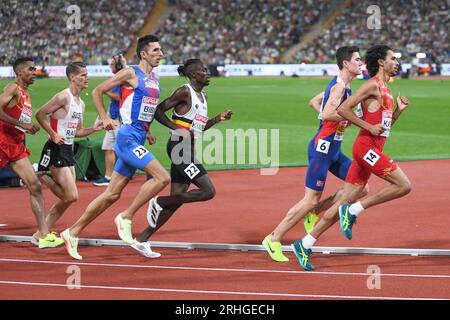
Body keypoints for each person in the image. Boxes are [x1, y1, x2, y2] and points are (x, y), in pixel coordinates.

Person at [292, 45, 411, 271]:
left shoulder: (384, 89)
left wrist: (398, 111)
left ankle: (304, 244)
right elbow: (345, 109)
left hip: (372, 148)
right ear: (381, 63)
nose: (397, 62)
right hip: (366, 149)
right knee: (404, 185)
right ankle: (354, 210)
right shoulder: (372, 86)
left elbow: (382, 129)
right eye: (392, 58)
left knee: (342, 203)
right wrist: (367, 126)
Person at [60, 35, 170, 260]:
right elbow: (98, 90)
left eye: (161, 50)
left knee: (111, 194)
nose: (161, 53)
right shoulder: (130, 73)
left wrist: (147, 132)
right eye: (156, 50)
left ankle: (72, 232)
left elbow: (142, 108)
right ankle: (126, 217)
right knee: (162, 178)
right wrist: (104, 117)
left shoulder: (155, 79)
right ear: (144, 54)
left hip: (137, 137)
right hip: (126, 138)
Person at [262, 46, 369, 263]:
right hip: (322, 149)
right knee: (309, 199)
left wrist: (334, 119)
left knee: (361, 187)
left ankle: (315, 212)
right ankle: (273, 238)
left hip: (334, 150)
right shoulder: (339, 88)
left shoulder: (344, 86)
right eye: (357, 60)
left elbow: (314, 102)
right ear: (346, 64)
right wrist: (347, 117)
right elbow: (329, 112)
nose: (361, 63)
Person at [132, 59, 232, 257]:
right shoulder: (184, 91)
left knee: (177, 199)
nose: (208, 72)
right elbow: (158, 111)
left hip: (188, 148)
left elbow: (198, 129)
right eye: (203, 70)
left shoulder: (203, 96)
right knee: (208, 191)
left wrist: (217, 119)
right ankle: (159, 201)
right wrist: (175, 128)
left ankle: (142, 239)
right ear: (194, 74)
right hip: (180, 148)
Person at [33, 61, 103, 245]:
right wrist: (53, 134)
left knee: (67, 200)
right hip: (55, 148)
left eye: (87, 74)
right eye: (82, 75)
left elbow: (78, 132)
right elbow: (40, 114)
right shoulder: (63, 97)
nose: (86, 78)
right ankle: (39, 174)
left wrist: (94, 129)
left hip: (68, 149)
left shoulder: (81, 104)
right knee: (71, 196)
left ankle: (41, 235)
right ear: (72, 77)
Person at [0, 57, 60, 248]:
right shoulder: (13, 88)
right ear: (20, 73)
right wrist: (22, 124)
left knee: (34, 185)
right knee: (34, 184)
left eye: (35, 69)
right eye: (31, 69)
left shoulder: (25, 94)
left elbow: (15, 116)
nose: (35, 72)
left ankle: (43, 235)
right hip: (2, 142)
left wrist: (24, 128)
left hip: (15, 145)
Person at [92, 54, 127, 186]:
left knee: (124, 148)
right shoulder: (117, 78)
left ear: (118, 66)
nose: (110, 66)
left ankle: (147, 170)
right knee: (108, 147)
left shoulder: (122, 79)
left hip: (120, 118)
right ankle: (108, 177)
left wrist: (104, 90)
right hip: (112, 117)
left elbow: (118, 97)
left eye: (112, 64)